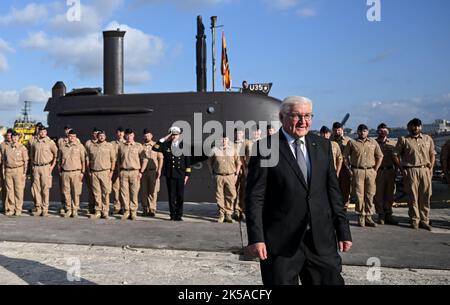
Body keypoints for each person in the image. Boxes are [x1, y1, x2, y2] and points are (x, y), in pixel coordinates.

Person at [246, 96, 352, 285]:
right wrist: (256, 238)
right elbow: (255, 197)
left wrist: (343, 230)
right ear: (281, 117)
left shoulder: (323, 146)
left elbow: (333, 193)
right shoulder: (265, 148)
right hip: (281, 243)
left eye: (308, 116)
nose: (303, 121)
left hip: (320, 241)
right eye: (297, 116)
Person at [393, 118, 435, 231]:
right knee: (413, 196)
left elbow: (432, 154)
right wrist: (402, 169)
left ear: (421, 127)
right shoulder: (404, 140)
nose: (415, 128)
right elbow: (395, 154)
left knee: (426, 196)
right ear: (409, 127)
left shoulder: (427, 139)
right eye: (413, 126)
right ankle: (414, 220)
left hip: (425, 170)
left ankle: (424, 220)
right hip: (411, 170)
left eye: (418, 126)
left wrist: (431, 168)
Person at [344, 124, 383, 227]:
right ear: (357, 132)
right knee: (359, 195)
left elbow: (380, 156)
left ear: (368, 132)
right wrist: (349, 169)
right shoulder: (352, 142)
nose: (362, 133)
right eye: (360, 131)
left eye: (365, 131)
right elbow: (345, 157)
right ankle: (361, 216)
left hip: (370, 171)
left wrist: (375, 170)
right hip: (357, 171)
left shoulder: (373, 142)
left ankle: (369, 217)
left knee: (370, 194)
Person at [153, 126, 192, 221]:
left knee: (180, 196)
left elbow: (188, 162)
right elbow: (155, 148)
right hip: (170, 174)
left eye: (176, 135)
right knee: (171, 196)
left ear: (179, 135)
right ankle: (172, 215)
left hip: (181, 174)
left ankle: (179, 215)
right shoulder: (166, 145)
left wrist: (187, 175)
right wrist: (166, 137)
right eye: (172, 134)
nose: (174, 136)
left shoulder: (184, 146)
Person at [207, 134, 241, 223]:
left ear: (228, 140)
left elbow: (239, 162)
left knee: (231, 195)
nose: (223, 141)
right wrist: (212, 173)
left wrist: (236, 174)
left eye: (225, 139)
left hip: (230, 175)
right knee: (219, 195)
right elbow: (209, 163)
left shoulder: (233, 149)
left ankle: (228, 214)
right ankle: (221, 214)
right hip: (218, 175)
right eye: (222, 139)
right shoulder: (214, 150)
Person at [117, 128, 148, 221]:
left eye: (131, 135)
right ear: (125, 136)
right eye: (127, 135)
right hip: (123, 172)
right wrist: (119, 172)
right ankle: (126, 211)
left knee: (134, 193)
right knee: (124, 193)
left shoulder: (138, 146)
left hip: (135, 172)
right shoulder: (121, 146)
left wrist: (141, 172)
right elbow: (118, 160)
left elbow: (145, 160)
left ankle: (133, 212)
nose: (129, 137)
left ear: (133, 135)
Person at [86, 130, 115, 219]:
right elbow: (88, 159)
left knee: (105, 193)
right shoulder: (92, 146)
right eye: (100, 136)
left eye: (103, 135)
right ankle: (98, 210)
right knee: (96, 193)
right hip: (94, 172)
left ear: (105, 136)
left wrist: (111, 172)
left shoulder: (109, 146)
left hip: (105, 172)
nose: (101, 137)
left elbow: (113, 159)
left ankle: (105, 211)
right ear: (97, 137)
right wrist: (89, 171)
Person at [29, 126, 58, 217]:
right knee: (36, 188)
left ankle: (45, 209)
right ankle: (38, 208)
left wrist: (52, 166)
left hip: (46, 167)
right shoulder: (34, 142)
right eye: (41, 131)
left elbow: (56, 155)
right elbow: (32, 155)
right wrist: (33, 165)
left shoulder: (50, 142)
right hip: (36, 167)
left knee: (45, 189)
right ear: (39, 132)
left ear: (46, 132)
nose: (42, 133)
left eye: (44, 131)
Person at [374, 123, 399, 225]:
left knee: (390, 194)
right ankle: (381, 215)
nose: (383, 132)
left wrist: (397, 170)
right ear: (377, 131)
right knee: (378, 194)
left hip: (390, 171)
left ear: (388, 131)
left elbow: (397, 159)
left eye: (385, 130)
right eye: (380, 130)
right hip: (378, 171)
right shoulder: (373, 143)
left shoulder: (393, 143)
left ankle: (389, 214)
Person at [58, 130, 85, 218]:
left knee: (75, 192)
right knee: (66, 192)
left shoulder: (80, 146)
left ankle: (75, 209)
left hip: (76, 172)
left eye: (73, 136)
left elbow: (83, 160)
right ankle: (68, 209)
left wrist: (82, 172)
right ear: (68, 137)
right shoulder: (63, 147)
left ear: (76, 137)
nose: (72, 138)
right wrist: (60, 172)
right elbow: (59, 160)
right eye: (70, 136)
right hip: (65, 172)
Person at [2, 131, 28, 216]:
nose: (15, 138)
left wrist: (24, 173)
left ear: (18, 138)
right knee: (10, 191)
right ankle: (11, 208)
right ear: (11, 138)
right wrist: (4, 171)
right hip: (9, 171)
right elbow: (4, 161)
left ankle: (18, 209)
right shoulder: (7, 148)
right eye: (13, 137)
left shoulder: (22, 148)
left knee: (18, 191)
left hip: (18, 170)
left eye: (16, 137)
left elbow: (26, 161)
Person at [141, 128, 163, 217]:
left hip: (153, 171)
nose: (147, 137)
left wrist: (159, 170)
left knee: (153, 191)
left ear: (151, 136)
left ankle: (152, 209)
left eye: (148, 135)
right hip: (144, 172)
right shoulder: (140, 146)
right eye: (145, 135)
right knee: (144, 191)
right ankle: (145, 209)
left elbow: (160, 158)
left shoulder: (156, 146)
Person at [331, 122, 352, 210]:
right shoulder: (329, 141)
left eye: (339, 130)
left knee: (345, 188)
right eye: (335, 130)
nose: (337, 132)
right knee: (333, 188)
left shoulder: (348, 141)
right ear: (332, 130)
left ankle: (344, 206)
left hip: (345, 168)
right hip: (333, 168)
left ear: (342, 130)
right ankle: (334, 205)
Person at [233, 127, 251, 221]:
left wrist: (245, 169)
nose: (238, 135)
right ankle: (236, 210)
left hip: (244, 171)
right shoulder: (232, 145)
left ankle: (243, 211)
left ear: (243, 134)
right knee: (234, 190)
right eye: (237, 133)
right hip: (234, 171)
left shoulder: (247, 143)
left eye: (240, 133)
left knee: (244, 191)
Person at [111, 126, 126, 214]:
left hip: (124, 169)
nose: (120, 134)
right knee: (116, 188)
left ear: (124, 134)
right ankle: (117, 207)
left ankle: (125, 207)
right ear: (116, 134)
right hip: (115, 169)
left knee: (124, 189)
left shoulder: (126, 143)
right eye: (118, 132)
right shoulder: (112, 144)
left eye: (121, 132)